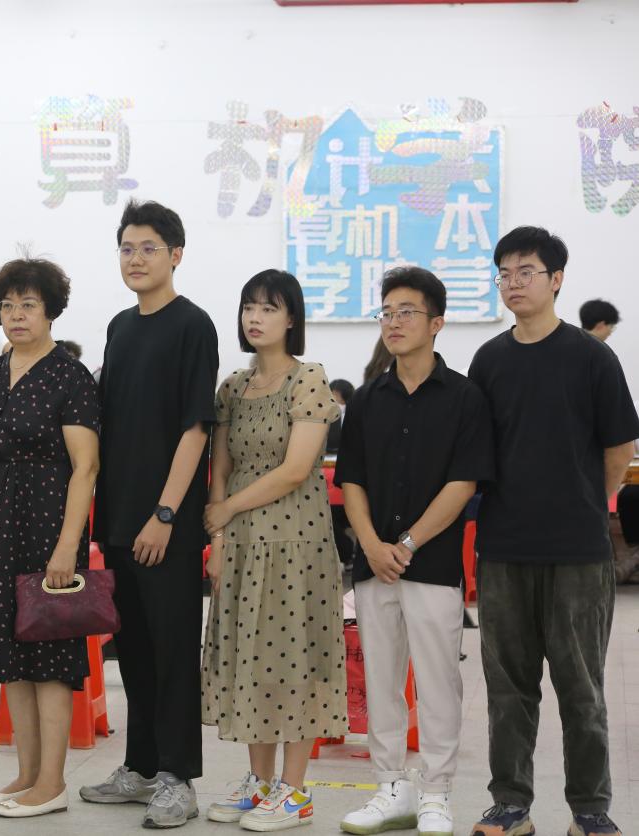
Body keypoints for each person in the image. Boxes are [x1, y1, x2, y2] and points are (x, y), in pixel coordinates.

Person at [466, 227, 637, 836]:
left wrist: (588, 504)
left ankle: (590, 809)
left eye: (526, 272)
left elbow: (619, 447)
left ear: (556, 279)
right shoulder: (489, 360)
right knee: (507, 688)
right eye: (504, 274)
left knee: (581, 688)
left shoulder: (592, 357)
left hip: (576, 553)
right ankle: (511, 804)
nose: (513, 283)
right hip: (503, 549)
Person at [335, 267, 494, 836]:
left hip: (431, 565)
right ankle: (390, 789)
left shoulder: (465, 397)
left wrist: (405, 544)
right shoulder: (367, 398)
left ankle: (436, 792)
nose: (394, 322)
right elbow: (351, 479)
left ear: (436, 323)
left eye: (407, 312)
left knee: (437, 682)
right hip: (373, 566)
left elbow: (463, 483)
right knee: (381, 680)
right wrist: (372, 546)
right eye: (387, 312)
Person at [83, 199, 218, 829]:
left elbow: (196, 428)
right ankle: (139, 768)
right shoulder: (120, 327)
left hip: (167, 524)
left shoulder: (193, 325)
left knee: (172, 652)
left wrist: (165, 514)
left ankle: (177, 777)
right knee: (132, 650)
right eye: (127, 248)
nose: (135, 259)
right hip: (118, 518)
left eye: (149, 249)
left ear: (176, 255)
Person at [0, 258, 100, 819]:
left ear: (51, 311)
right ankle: (26, 774)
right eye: (8, 306)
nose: (16, 315)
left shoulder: (70, 376)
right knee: (9, 654)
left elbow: (85, 467)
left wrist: (68, 546)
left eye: (28, 305)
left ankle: (53, 783)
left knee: (49, 655)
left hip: (46, 528)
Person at [201, 269, 345, 831]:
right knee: (251, 661)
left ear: (291, 319)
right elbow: (221, 467)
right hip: (242, 544)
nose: (255, 318)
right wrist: (219, 535)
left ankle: (295, 792)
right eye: (249, 308)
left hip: (296, 545)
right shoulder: (233, 388)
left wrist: (228, 509)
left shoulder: (309, 379)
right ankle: (260, 783)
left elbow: (295, 469)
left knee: (295, 661)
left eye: (268, 308)